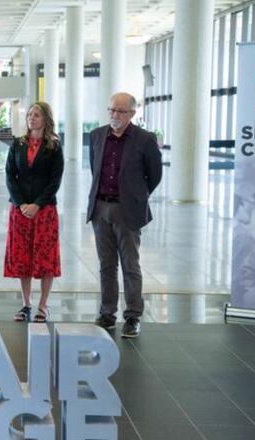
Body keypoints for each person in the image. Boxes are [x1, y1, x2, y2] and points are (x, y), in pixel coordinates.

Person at [87, 92, 162, 338]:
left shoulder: (145, 139)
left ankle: (132, 317)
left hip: (127, 209)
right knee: (106, 265)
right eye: (111, 110)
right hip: (100, 208)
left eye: (120, 111)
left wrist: (135, 196)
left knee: (130, 265)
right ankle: (107, 314)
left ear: (132, 113)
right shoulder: (97, 136)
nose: (114, 115)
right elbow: (94, 169)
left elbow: (155, 175)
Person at [4, 102, 64, 323]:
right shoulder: (18, 144)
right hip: (20, 211)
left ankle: (43, 305)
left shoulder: (54, 146)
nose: (32, 118)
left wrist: (37, 204)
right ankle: (26, 304)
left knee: (45, 257)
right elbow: (10, 176)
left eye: (36, 115)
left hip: (45, 211)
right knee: (23, 258)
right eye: (30, 114)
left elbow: (55, 181)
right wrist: (21, 204)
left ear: (46, 119)